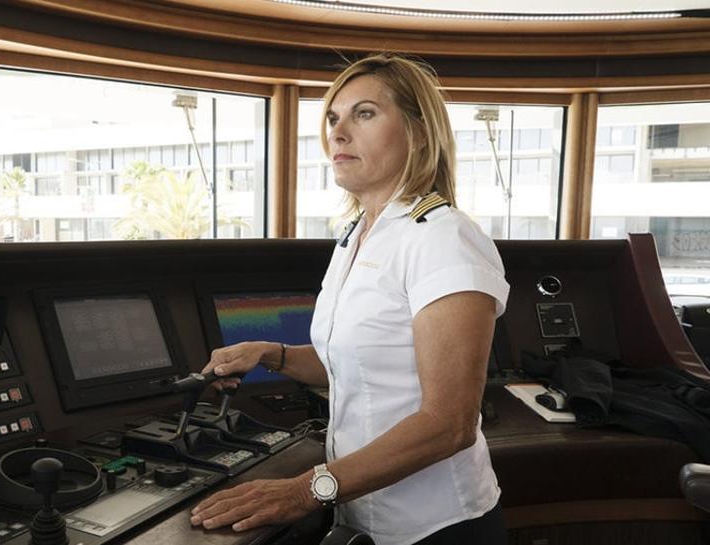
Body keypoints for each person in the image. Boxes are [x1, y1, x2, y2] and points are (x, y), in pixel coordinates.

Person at [189, 53, 510, 545]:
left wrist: (304, 490)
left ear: (419, 132)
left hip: (437, 526)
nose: (338, 133)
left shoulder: (444, 238)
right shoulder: (357, 235)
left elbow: (449, 424)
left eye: (364, 114)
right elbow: (361, 365)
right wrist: (273, 356)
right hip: (360, 514)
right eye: (334, 118)